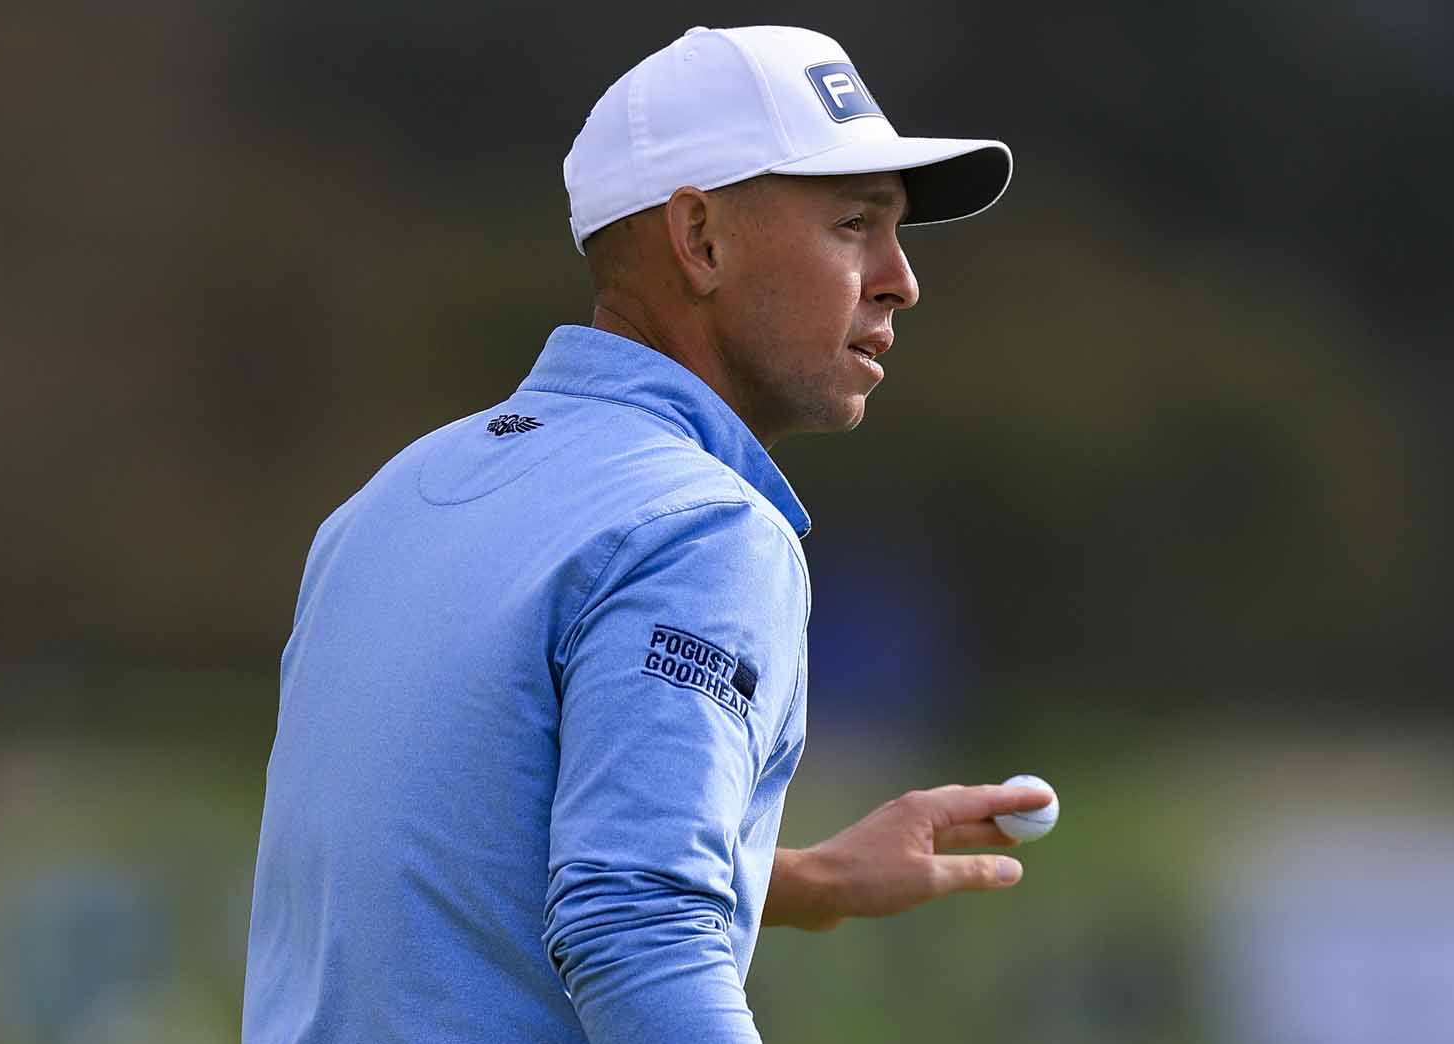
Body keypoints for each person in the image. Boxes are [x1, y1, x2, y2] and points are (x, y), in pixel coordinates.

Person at [242, 24, 1051, 1043]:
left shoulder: (386, 499)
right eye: (852, 225)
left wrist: (791, 879)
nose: (900, 278)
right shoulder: (701, 529)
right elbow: (638, 932)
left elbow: (453, 867)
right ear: (700, 240)